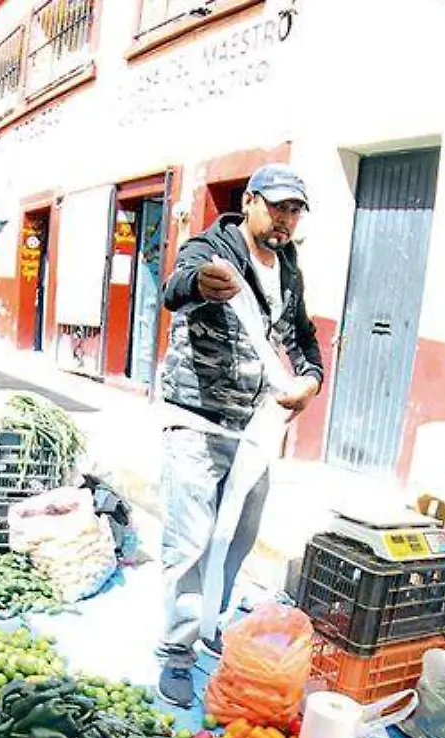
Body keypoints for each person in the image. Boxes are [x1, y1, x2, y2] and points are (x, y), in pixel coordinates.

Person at [154, 163, 322, 706]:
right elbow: (175, 288)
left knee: (236, 539)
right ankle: (176, 652)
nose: (285, 219)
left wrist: (311, 380)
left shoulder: (289, 267)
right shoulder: (212, 248)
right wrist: (200, 285)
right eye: (277, 206)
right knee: (190, 542)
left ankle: (211, 623)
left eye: (294, 210)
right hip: (198, 422)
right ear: (249, 201)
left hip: (255, 429)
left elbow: (301, 336)